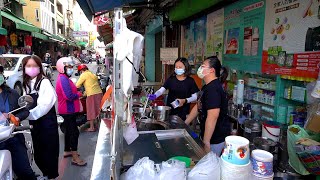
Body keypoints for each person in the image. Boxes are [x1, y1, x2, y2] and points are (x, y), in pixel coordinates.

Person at [22, 55, 59, 179]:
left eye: (34, 66)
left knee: (49, 151)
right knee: (38, 152)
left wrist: (29, 115)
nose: (31, 68)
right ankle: (45, 174)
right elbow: (24, 102)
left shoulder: (44, 82)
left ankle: (51, 176)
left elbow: (46, 104)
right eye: (28, 66)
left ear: (39, 67)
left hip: (47, 123)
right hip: (35, 124)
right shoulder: (26, 84)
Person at [185, 56, 230, 155]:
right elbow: (198, 106)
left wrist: (206, 141)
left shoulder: (214, 89)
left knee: (211, 166)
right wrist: (185, 123)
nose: (199, 69)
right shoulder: (207, 87)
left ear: (211, 70)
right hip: (207, 134)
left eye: (202, 66)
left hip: (215, 138)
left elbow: (212, 117)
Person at [0, 65, 37, 180]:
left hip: (13, 137)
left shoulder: (12, 93)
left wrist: (16, 118)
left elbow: (24, 111)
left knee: (25, 172)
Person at [55, 57, 87, 166]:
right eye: (68, 67)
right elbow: (68, 96)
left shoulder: (64, 78)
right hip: (68, 110)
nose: (71, 69)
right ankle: (75, 157)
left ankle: (67, 151)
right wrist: (78, 94)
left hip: (69, 110)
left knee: (69, 131)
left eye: (71, 66)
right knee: (74, 132)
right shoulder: (63, 79)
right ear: (62, 68)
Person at [76, 64, 103, 132]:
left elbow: (77, 85)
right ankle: (97, 124)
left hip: (92, 95)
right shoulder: (92, 74)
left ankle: (92, 127)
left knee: (90, 110)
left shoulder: (84, 74)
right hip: (99, 93)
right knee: (98, 109)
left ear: (81, 70)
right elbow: (90, 85)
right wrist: (84, 94)